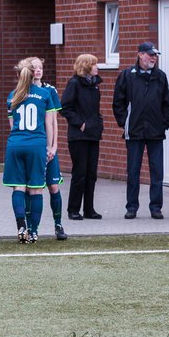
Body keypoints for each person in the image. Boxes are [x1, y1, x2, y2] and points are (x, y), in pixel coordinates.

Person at [111, 41, 169, 219]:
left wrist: (164, 123)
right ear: (140, 55)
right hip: (135, 131)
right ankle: (131, 207)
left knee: (157, 171)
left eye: (155, 55)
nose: (153, 58)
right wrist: (125, 122)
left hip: (155, 131)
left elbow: (166, 103)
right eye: (150, 54)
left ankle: (156, 207)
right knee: (133, 171)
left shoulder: (160, 76)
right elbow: (118, 103)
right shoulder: (127, 75)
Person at [5, 57, 57, 243]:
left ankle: (21, 226)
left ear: (19, 74)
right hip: (36, 144)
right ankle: (34, 232)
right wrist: (51, 146)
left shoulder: (12, 95)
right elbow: (50, 123)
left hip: (15, 143)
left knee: (18, 187)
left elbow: (12, 125)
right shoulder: (44, 94)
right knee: (36, 190)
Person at [27, 59, 69, 240]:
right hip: (32, 147)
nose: (38, 71)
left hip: (48, 146)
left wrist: (54, 146)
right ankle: (31, 228)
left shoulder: (49, 90)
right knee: (32, 188)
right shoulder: (23, 91)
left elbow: (53, 121)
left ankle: (58, 224)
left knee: (53, 186)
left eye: (40, 68)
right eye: (34, 68)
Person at [59, 54, 103, 221]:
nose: (97, 67)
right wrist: (80, 123)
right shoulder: (75, 84)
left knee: (91, 174)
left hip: (93, 135)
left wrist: (99, 124)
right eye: (94, 64)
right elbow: (65, 108)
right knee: (80, 173)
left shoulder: (95, 86)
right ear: (86, 66)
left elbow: (95, 110)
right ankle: (73, 209)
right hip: (78, 136)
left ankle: (89, 209)